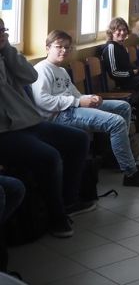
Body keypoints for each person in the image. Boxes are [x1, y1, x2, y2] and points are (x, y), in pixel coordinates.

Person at [32, 30, 139, 187]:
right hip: (58, 116)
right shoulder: (42, 69)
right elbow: (42, 101)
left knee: (123, 107)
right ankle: (130, 173)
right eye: (59, 47)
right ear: (47, 48)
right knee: (117, 122)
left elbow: (75, 94)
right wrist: (79, 102)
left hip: (72, 108)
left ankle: (116, 155)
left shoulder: (62, 70)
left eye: (67, 47)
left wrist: (91, 98)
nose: (64, 51)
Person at [0, 17, 90, 238]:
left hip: (28, 122)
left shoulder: (6, 54)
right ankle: (56, 216)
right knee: (49, 156)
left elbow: (30, 75)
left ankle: (68, 201)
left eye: (3, 30)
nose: (2, 34)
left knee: (79, 139)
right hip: (5, 131)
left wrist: (7, 48)